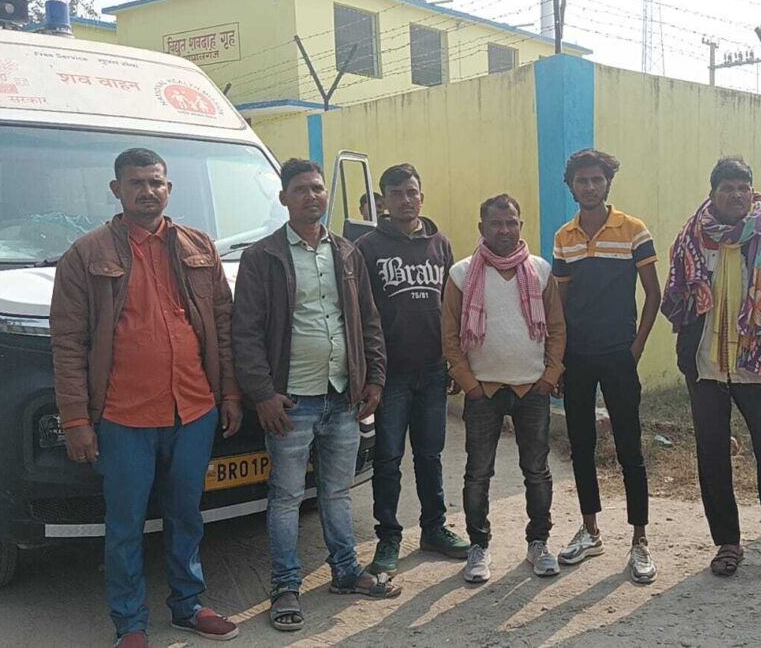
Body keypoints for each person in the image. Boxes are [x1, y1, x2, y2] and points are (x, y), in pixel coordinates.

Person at [50, 148, 244, 647]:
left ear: (168, 188)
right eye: (135, 182)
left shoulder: (199, 246)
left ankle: (188, 604)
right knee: (125, 524)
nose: (147, 190)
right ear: (116, 190)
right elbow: (67, 343)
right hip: (123, 417)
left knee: (187, 514)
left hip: (194, 409)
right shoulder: (85, 255)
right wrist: (76, 419)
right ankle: (130, 623)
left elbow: (223, 326)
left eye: (155, 182)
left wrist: (229, 392)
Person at [232, 159, 397, 633]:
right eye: (301, 189)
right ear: (283, 198)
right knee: (286, 496)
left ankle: (345, 571)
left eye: (318, 189)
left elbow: (367, 320)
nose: (312, 196)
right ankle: (286, 585)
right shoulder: (263, 257)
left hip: (343, 396)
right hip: (291, 402)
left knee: (337, 491)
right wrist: (263, 394)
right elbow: (245, 333)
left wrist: (374, 379)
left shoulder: (346, 252)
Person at [661, 157, 761, 585]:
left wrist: (754, 340)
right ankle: (727, 542)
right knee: (712, 453)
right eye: (727, 188)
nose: (736, 195)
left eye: (743, 187)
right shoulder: (692, 238)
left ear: (752, 192)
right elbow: (679, 294)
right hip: (707, 365)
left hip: (759, 366)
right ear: (713, 194)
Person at [442, 194, 566, 583]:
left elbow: (556, 327)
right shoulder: (462, 274)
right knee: (478, 473)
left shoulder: (540, 270)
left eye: (511, 222)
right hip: (484, 391)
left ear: (520, 226)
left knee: (537, 471)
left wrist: (550, 375)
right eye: (496, 223)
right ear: (482, 228)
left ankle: (538, 543)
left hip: (532, 390)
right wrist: (469, 385)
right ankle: (478, 546)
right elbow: (449, 336)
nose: (504, 230)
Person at [551, 149, 661, 583]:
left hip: (619, 354)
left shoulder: (633, 230)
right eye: (582, 181)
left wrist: (635, 348)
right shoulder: (564, 237)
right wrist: (558, 358)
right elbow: (560, 303)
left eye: (597, 179)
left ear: (607, 183)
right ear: (571, 186)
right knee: (581, 445)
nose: (590, 186)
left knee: (630, 446)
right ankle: (591, 531)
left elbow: (653, 294)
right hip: (577, 356)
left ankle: (640, 540)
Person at [356, 164, 467, 575]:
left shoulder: (440, 244)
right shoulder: (367, 248)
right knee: (388, 458)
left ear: (422, 196)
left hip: (434, 370)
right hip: (390, 376)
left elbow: (452, 309)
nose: (406, 199)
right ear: (383, 200)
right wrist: (371, 374)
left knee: (430, 454)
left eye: (412, 191)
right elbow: (362, 315)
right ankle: (388, 537)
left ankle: (434, 528)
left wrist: (455, 361)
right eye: (396, 193)